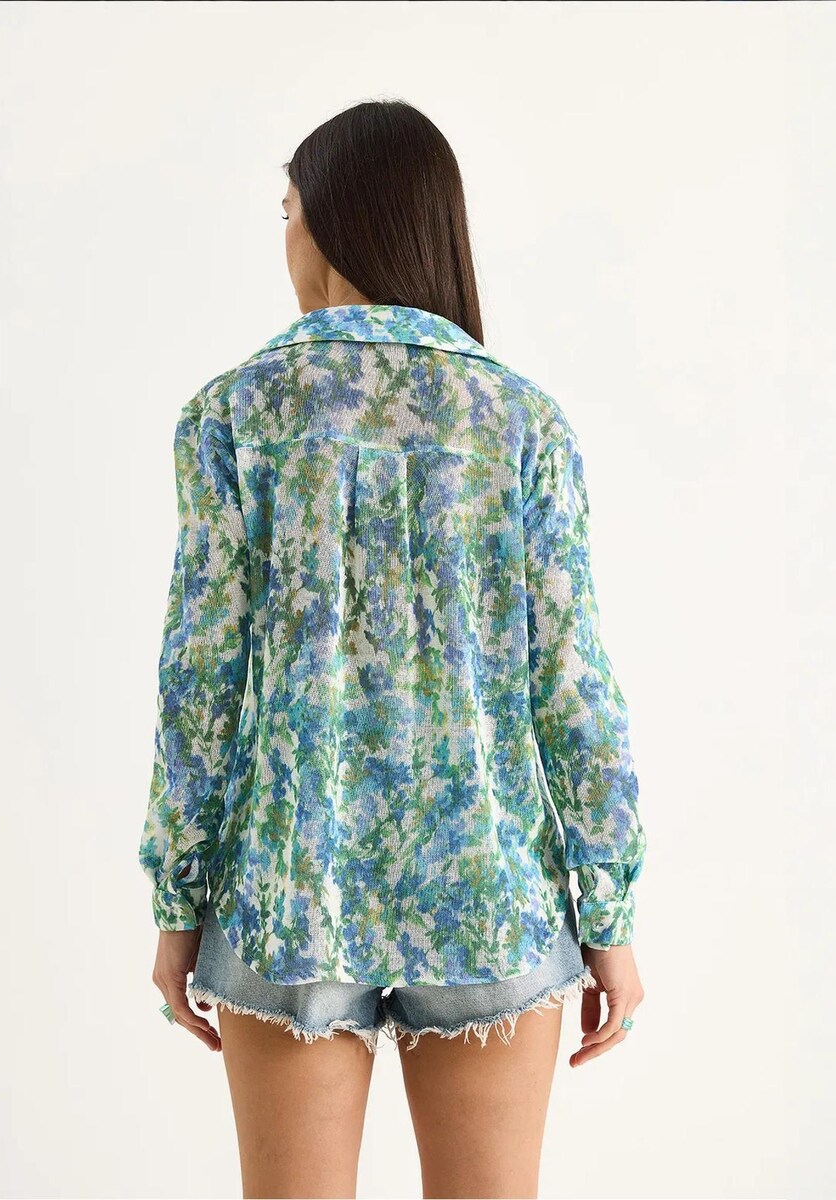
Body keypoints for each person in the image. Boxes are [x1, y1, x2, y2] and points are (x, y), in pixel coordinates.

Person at [138, 97, 647, 1200]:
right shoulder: (520, 420)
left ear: (331, 220)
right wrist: (607, 914)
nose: (285, 236)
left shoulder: (234, 415)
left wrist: (177, 901)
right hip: (491, 891)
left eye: (286, 210)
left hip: (290, 891)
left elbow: (198, 685)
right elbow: (574, 684)